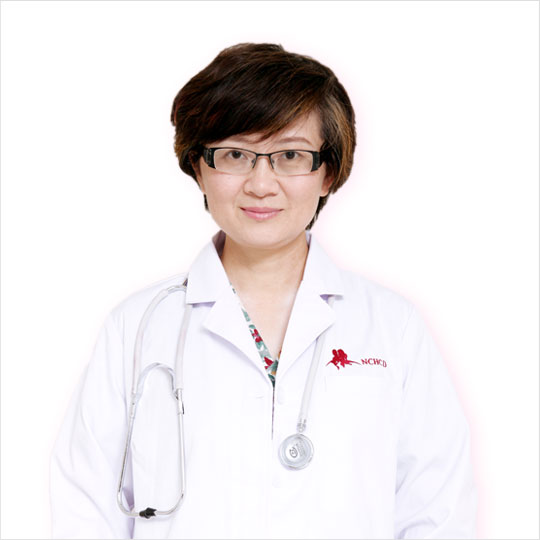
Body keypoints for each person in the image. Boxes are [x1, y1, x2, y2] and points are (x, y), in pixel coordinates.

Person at [50, 43, 477, 539]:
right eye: (235, 155)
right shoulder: (139, 326)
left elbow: (437, 509)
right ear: (199, 167)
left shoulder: (391, 326)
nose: (260, 184)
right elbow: (85, 508)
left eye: (290, 156)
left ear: (328, 172)